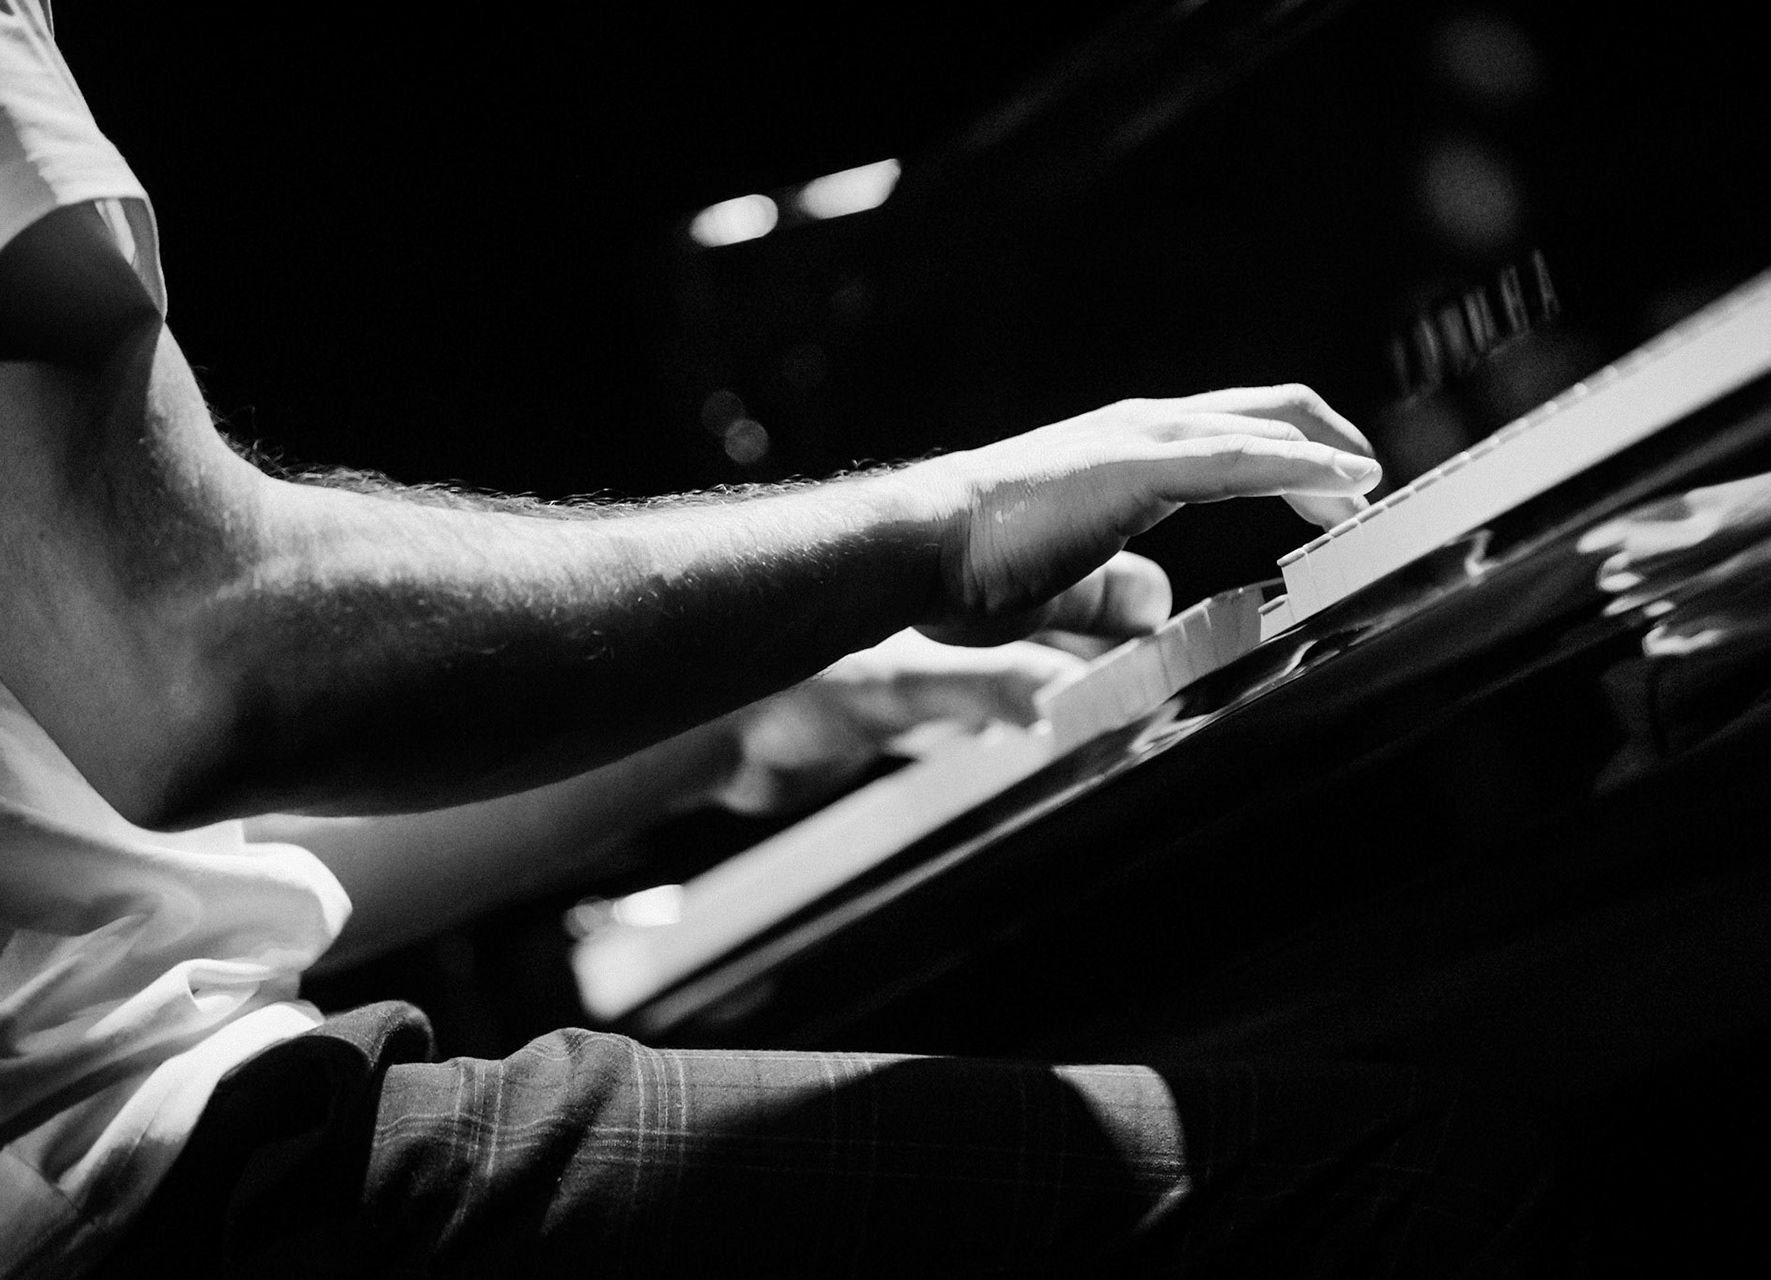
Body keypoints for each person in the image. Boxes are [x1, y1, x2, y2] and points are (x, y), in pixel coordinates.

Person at [2, 4, 1570, 1276]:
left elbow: (157, 824)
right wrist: (947, 519)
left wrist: (750, 710)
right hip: (184, 1202)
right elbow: (205, 665)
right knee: (1461, 1202)